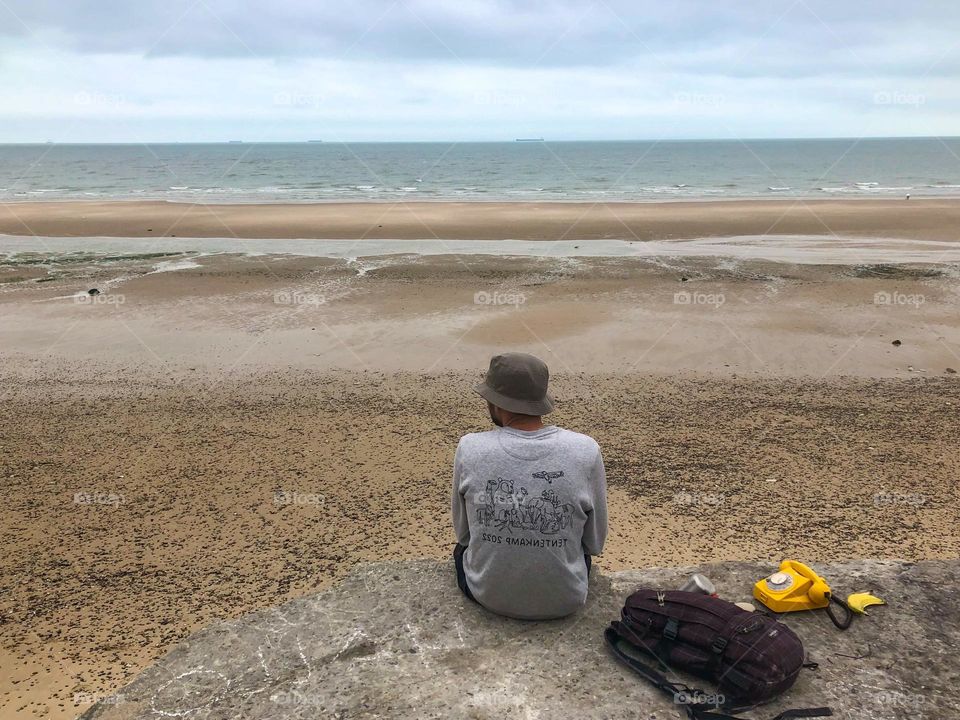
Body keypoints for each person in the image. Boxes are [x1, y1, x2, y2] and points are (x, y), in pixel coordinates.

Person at [450, 352, 608, 619]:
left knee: (461, 551)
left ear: (494, 403)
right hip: (566, 599)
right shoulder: (586, 450)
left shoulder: (469, 447)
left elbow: (464, 536)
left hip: (487, 595)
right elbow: (594, 544)